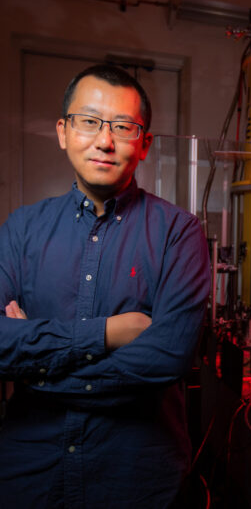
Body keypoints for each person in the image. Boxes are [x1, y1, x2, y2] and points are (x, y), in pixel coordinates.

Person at [0, 65, 210, 508]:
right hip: (28, 476)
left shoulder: (179, 233)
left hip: (136, 481)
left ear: (145, 143)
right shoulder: (21, 229)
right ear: (63, 131)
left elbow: (167, 356)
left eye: (123, 126)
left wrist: (35, 367)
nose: (105, 140)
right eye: (89, 121)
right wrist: (107, 334)